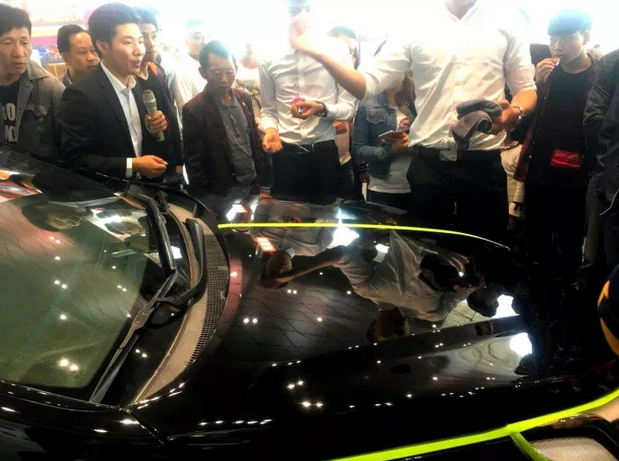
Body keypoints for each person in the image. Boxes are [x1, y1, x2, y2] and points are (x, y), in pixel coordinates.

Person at [289, 0, 537, 240]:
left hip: (483, 163)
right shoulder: (413, 23)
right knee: (423, 256)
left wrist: (514, 112)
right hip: (429, 167)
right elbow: (366, 84)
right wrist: (319, 53)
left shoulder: (507, 19)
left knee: (487, 252)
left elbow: (526, 88)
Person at [513, 9, 598, 283]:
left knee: (572, 237)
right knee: (536, 233)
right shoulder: (545, 72)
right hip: (540, 166)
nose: (558, 46)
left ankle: (567, 289)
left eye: (567, 38)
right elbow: (526, 123)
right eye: (553, 39)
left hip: (580, 171)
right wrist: (537, 86)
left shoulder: (600, 75)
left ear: (585, 36)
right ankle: (536, 288)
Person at [259, 0, 357, 205]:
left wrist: (322, 109)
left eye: (307, 9)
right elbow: (268, 110)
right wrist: (271, 129)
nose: (301, 16)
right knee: (285, 218)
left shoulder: (336, 49)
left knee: (326, 218)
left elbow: (349, 108)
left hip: (324, 154)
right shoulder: (268, 55)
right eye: (293, 10)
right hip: (285, 156)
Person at [60, 3, 169, 180]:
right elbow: (75, 159)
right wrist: (133, 165)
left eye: (140, 41)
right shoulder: (80, 94)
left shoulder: (140, 85)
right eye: (128, 42)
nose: (139, 51)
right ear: (103, 46)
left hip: (148, 189)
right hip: (109, 192)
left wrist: (153, 127)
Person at [182, 40, 264, 195]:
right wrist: (206, 199)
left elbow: (254, 142)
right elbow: (194, 164)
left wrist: (261, 180)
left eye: (229, 71)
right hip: (221, 193)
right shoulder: (194, 110)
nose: (224, 79)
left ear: (236, 69)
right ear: (203, 72)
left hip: (253, 185)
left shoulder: (244, 98)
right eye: (216, 73)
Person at [0, 4, 64, 158]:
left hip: (35, 172)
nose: (18, 53)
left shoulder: (50, 88)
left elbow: (67, 149)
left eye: (24, 42)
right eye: (7, 43)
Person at [352, 72, 415, 209]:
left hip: (417, 184)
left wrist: (412, 144)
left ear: (404, 71)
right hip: (382, 186)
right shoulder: (368, 104)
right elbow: (358, 148)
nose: (388, 75)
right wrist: (391, 150)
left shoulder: (418, 102)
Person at [134, 7, 183, 175]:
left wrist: (179, 159)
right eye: (143, 38)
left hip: (169, 161)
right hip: (145, 166)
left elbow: (171, 115)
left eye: (154, 36)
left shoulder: (157, 71)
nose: (151, 43)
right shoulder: (127, 79)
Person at [328, 26, 360, 200]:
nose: (348, 57)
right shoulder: (315, 87)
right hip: (319, 164)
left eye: (351, 52)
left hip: (347, 162)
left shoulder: (360, 87)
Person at [171, 19, 208, 112]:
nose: (205, 42)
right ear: (186, 41)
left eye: (208, 36)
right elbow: (186, 111)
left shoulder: (210, 65)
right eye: (198, 37)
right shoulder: (183, 71)